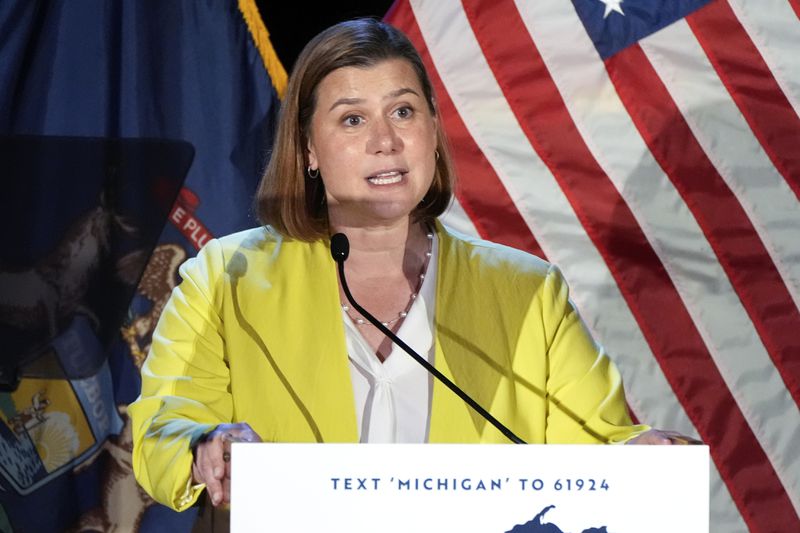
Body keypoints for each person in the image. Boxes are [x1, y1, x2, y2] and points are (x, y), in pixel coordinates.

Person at [129, 17, 688, 513]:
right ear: (307, 150)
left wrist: (637, 458)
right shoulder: (225, 278)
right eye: (351, 120)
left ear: (432, 133)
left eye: (403, 111)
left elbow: (598, 444)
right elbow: (161, 428)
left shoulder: (527, 291)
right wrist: (206, 445)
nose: (385, 141)